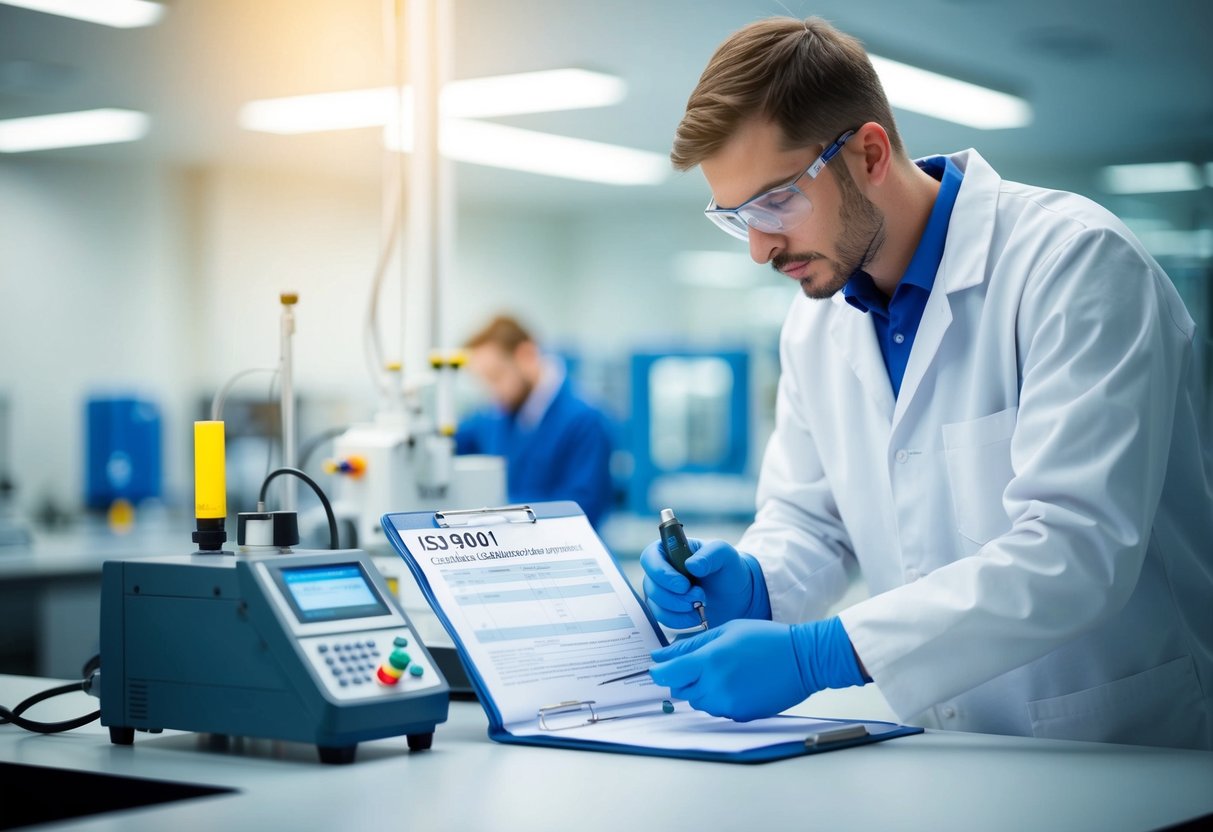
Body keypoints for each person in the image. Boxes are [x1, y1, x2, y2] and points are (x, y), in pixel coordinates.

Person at [641, 16, 1213, 749]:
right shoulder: (815, 323)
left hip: (1116, 744)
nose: (757, 248)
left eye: (774, 203)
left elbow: (1075, 550)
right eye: (734, 218)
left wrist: (826, 653)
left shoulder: (1075, 265)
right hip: (937, 753)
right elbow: (812, 520)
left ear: (869, 154)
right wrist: (757, 583)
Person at [455, 314, 614, 528]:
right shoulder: (497, 414)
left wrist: (497, 512)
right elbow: (454, 442)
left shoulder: (584, 421)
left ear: (526, 356)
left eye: (496, 377)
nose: (492, 393)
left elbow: (582, 509)